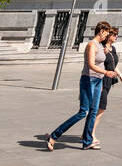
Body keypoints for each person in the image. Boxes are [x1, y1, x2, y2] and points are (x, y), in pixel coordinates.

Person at [47, 21, 117, 150]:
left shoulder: (101, 46)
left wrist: (106, 54)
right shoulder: (91, 45)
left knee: (93, 111)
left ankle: (87, 141)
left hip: (98, 81)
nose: (106, 37)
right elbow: (91, 65)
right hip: (88, 80)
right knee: (83, 112)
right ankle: (54, 136)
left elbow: (103, 60)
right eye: (106, 34)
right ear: (101, 31)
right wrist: (106, 72)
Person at [91, 26, 122, 143]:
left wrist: (121, 75)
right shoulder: (102, 48)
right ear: (108, 36)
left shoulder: (112, 49)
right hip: (101, 80)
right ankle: (90, 134)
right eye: (114, 35)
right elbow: (97, 64)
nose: (116, 36)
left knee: (98, 108)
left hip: (109, 81)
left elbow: (113, 64)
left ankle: (87, 133)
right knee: (100, 108)